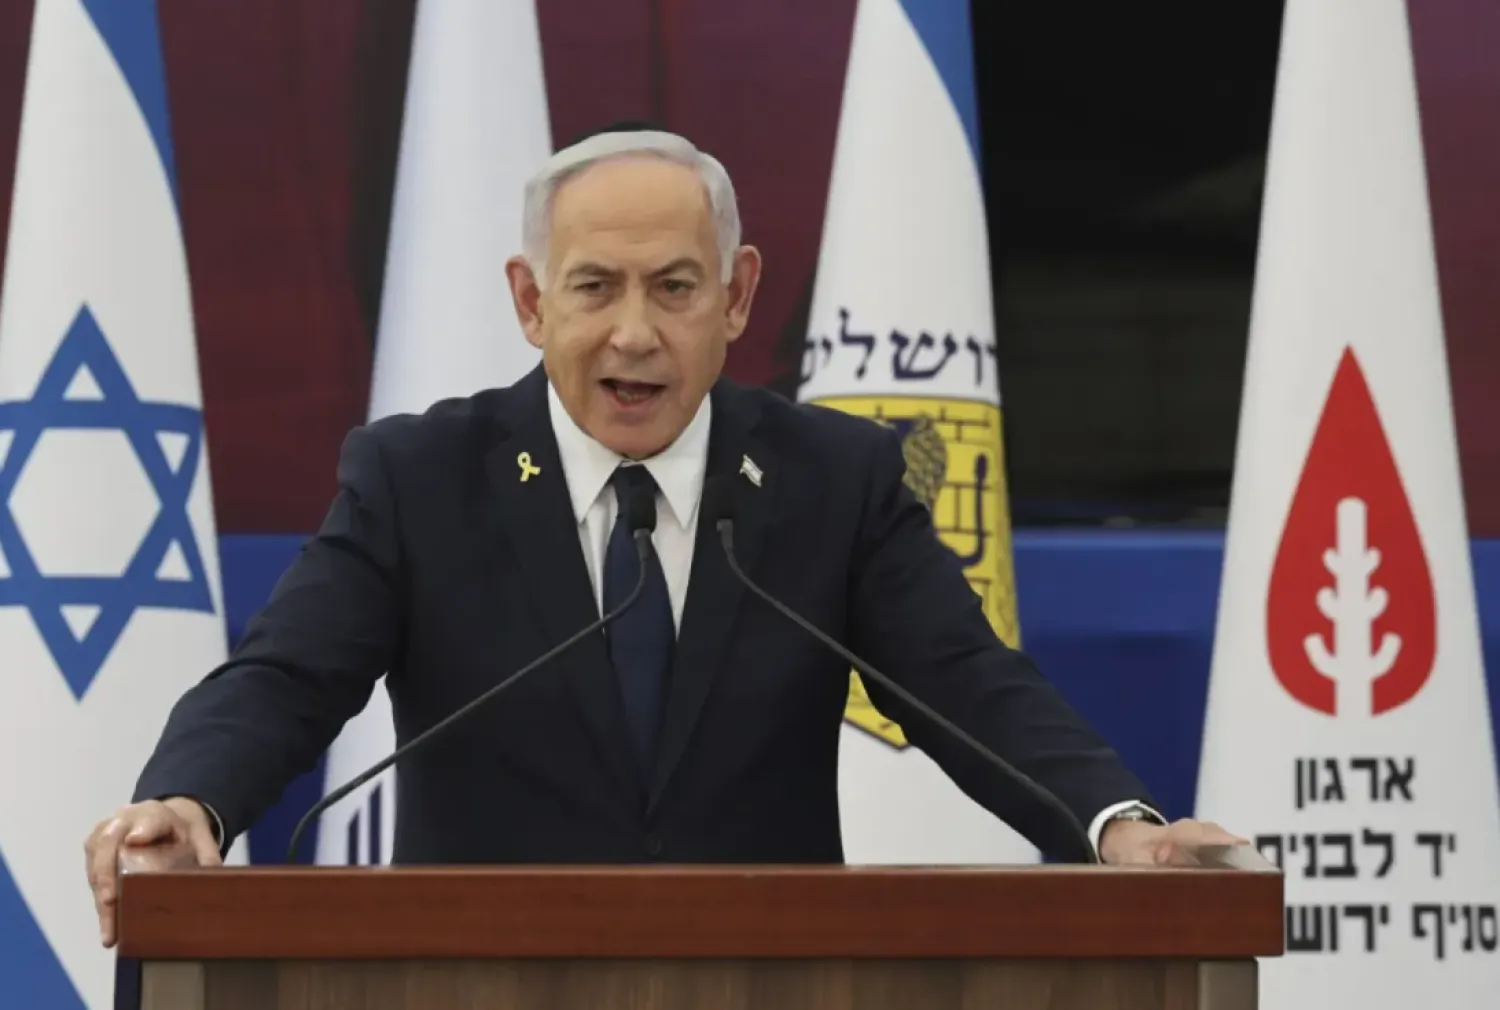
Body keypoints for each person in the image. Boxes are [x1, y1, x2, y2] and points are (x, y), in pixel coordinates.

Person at [85, 126, 1245, 947]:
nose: (633, 333)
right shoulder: (421, 478)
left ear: (737, 297)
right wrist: (192, 798)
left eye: (675, 288)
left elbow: (968, 682)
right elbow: (288, 674)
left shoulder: (829, 480)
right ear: (532, 301)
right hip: (471, 982)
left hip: (772, 984)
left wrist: (1118, 826)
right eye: (594, 286)